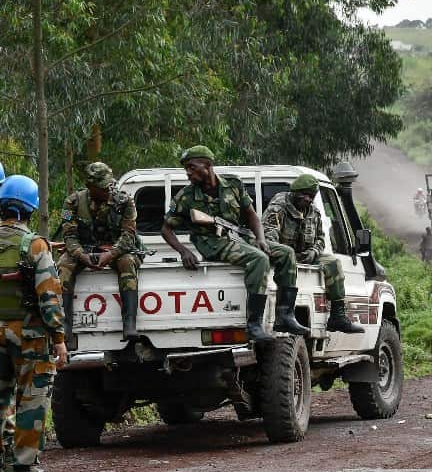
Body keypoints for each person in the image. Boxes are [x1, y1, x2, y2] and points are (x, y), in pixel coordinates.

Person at [161, 145, 309, 342]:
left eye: (191, 167)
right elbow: (166, 229)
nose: (188, 172)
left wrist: (261, 239)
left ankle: (285, 316)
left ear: (207, 165)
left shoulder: (233, 185)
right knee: (259, 259)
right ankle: (254, 324)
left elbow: (251, 216)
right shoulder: (186, 197)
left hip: (237, 235)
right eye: (186, 168)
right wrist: (183, 251)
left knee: (286, 253)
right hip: (211, 241)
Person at [0, 175, 67, 472]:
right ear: (30, 209)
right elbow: (49, 296)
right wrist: (59, 338)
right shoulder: (35, 245)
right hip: (29, 335)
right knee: (31, 401)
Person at [262, 174, 363, 334]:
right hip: (282, 256)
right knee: (286, 254)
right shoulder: (278, 207)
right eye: (305, 195)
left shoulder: (313, 212)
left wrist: (314, 251)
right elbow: (268, 236)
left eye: (311, 196)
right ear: (295, 192)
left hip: (305, 255)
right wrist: (284, 253)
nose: (308, 199)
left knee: (332, 262)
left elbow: (321, 238)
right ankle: (284, 315)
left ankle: (337, 317)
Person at [58, 161, 142, 340]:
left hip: (115, 248)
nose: (108, 190)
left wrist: (110, 254)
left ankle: (129, 324)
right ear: (90, 186)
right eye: (103, 186)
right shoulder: (72, 202)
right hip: (84, 248)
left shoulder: (125, 201)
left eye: (109, 184)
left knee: (127, 262)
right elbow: (70, 236)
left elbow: (129, 235)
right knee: (64, 265)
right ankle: (65, 328)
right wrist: (82, 255)